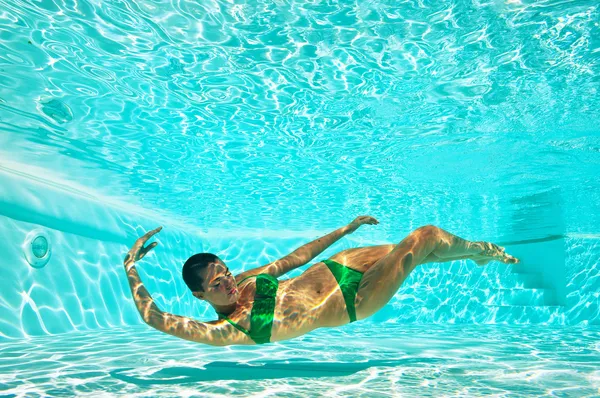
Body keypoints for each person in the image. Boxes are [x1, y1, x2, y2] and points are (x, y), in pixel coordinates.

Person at [123, 216, 519, 346]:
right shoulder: (226, 329)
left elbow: (295, 259)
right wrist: (130, 268)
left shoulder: (245, 280)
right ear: (199, 294)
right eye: (217, 284)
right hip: (352, 301)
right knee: (426, 237)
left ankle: (475, 255)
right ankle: (484, 251)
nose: (228, 282)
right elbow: (155, 317)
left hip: (334, 269)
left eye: (225, 272)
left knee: (420, 253)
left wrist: (344, 231)